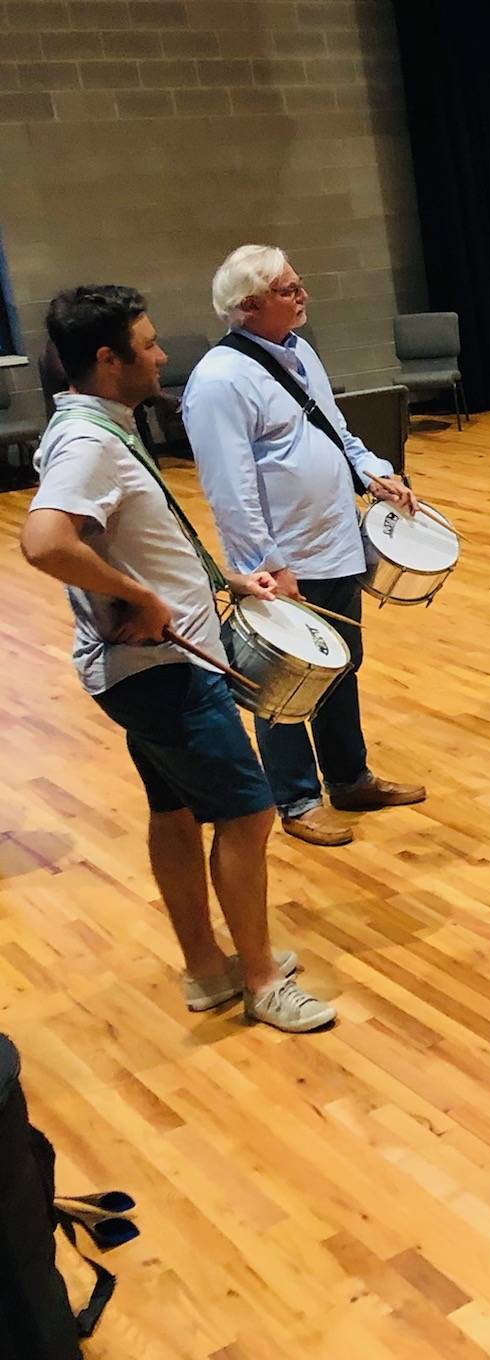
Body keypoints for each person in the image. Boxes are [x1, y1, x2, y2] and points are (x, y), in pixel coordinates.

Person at [19, 285, 334, 1031]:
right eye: (150, 343)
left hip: (150, 672)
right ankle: (260, 981)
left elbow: (130, 535)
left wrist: (211, 579)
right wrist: (144, 599)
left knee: (177, 808)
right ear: (107, 357)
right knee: (251, 815)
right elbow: (45, 542)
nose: (162, 355)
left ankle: (205, 969)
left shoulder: (105, 424)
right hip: (164, 673)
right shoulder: (89, 442)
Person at [182, 244, 425, 848]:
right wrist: (266, 565)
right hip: (281, 560)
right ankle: (295, 797)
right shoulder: (219, 380)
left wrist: (373, 471)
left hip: (335, 541)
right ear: (247, 306)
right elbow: (229, 489)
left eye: (298, 285)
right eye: (289, 290)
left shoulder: (300, 350)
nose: (303, 295)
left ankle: (348, 777)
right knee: (285, 682)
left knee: (344, 665)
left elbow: (335, 430)